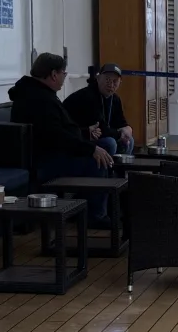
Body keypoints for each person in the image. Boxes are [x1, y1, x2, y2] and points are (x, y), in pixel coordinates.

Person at [9, 52, 113, 218]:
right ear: (53, 74)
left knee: (106, 145)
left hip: (55, 151)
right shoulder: (40, 99)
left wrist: (85, 133)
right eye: (64, 73)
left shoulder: (39, 93)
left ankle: (90, 206)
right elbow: (56, 136)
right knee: (97, 159)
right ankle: (95, 216)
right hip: (45, 161)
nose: (64, 77)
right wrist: (90, 149)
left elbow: (55, 129)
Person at [64, 63, 135, 156]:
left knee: (129, 140)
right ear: (98, 78)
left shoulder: (115, 99)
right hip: (78, 136)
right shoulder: (88, 96)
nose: (111, 85)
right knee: (110, 143)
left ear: (120, 83)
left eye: (115, 81)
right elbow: (100, 128)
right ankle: (106, 166)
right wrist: (120, 134)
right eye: (107, 80)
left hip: (97, 135)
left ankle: (120, 165)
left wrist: (127, 128)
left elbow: (120, 122)